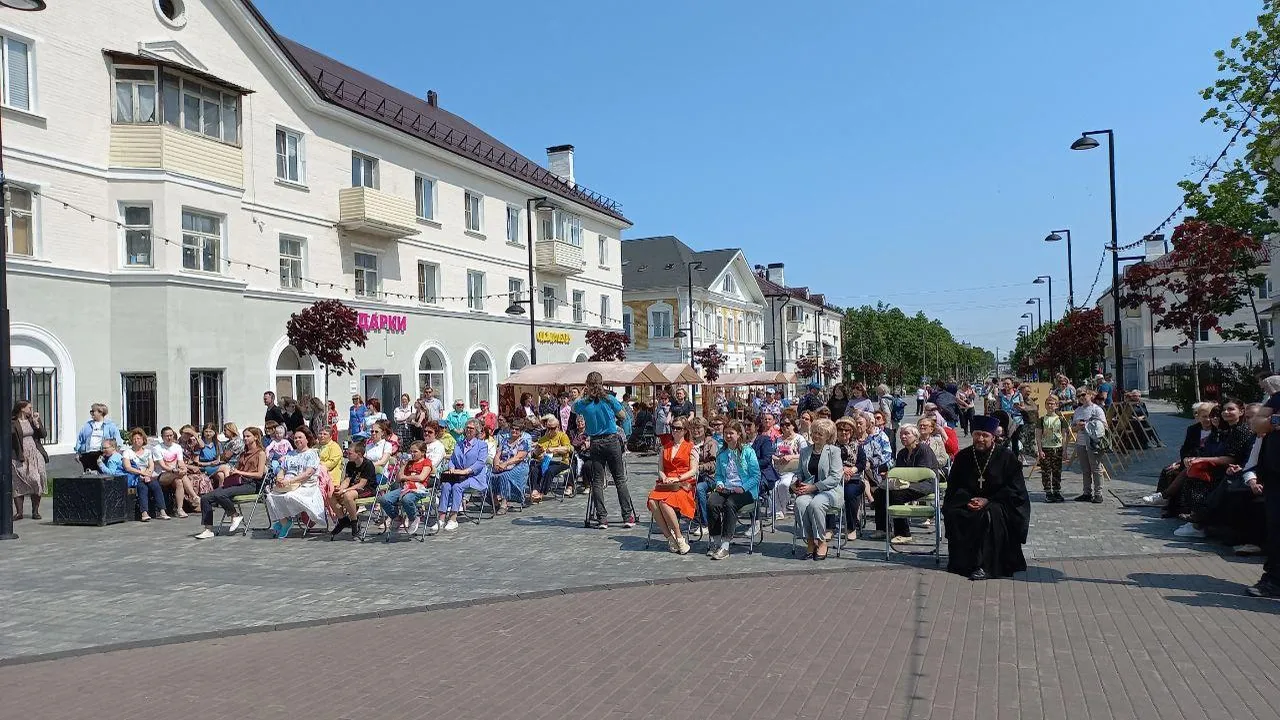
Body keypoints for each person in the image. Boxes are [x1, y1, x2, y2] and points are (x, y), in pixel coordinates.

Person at [942, 415, 1030, 580]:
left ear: (993, 437)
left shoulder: (1006, 457)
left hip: (1000, 502)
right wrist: (968, 499)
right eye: (977, 434)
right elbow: (954, 486)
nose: (980, 439)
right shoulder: (963, 457)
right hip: (968, 500)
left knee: (988, 516)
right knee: (954, 513)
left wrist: (987, 500)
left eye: (985, 435)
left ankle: (986, 566)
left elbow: (1015, 489)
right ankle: (962, 563)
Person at [575, 372, 636, 529]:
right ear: (601, 383)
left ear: (587, 384)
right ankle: (627, 516)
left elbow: (574, 406)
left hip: (595, 442)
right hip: (611, 440)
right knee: (619, 479)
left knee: (597, 480)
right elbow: (623, 416)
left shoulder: (584, 403)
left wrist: (583, 392)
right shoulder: (609, 399)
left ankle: (602, 518)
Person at [867, 423, 940, 543]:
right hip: (904, 484)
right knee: (880, 492)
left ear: (915, 436)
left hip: (925, 484)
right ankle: (883, 529)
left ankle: (903, 533)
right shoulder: (902, 453)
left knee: (896, 495)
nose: (903, 437)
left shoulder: (923, 450)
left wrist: (903, 482)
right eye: (901, 434)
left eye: (907, 434)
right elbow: (899, 472)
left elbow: (922, 473)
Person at [194, 427, 267, 539]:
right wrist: (233, 472)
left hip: (251, 484)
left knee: (220, 494)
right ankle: (208, 529)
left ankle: (235, 515)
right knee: (205, 498)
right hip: (238, 482)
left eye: (248, 436)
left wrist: (239, 471)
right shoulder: (243, 453)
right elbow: (237, 469)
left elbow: (259, 474)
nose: (245, 438)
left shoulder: (260, 453)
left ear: (256, 437)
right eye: (244, 436)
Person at [706, 421, 760, 560]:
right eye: (726, 433)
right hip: (726, 488)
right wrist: (719, 483)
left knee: (730, 504)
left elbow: (756, 476)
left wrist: (743, 488)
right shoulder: (722, 452)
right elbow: (718, 474)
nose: (728, 436)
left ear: (739, 434)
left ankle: (725, 545)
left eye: (731, 433)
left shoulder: (748, 451)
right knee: (712, 502)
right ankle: (716, 541)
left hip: (745, 491)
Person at [792, 418, 843, 560]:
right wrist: (795, 484)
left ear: (828, 436)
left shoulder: (834, 451)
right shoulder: (805, 451)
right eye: (814, 433)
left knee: (816, 504)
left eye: (820, 434)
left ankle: (821, 541)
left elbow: (835, 478)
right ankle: (809, 540)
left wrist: (814, 487)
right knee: (800, 503)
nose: (816, 436)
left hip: (830, 491)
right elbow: (799, 473)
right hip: (808, 489)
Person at [648, 416, 698, 554]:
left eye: (678, 428)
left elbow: (693, 470)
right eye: (673, 428)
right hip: (666, 484)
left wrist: (677, 478)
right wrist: (664, 477)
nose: (675, 431)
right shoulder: (665, 447)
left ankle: (680, 538)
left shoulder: (690, 447)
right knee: (652, 502)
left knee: (665, 503)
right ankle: (670, 538)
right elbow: (660, 469)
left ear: (685, 430)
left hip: (683, 483)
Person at [265, 429, 324, 539]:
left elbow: (308, 473)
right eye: (295, 438)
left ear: (307, 439)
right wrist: (279, 479)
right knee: (270, 497)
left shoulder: (311, 454)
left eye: (300, 437)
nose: (297, 440)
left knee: (289, 496)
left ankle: (286, 519)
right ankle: (284, 521)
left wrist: (290, 481)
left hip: (306, 485)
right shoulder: (290, 454)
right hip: (288, 484)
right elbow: (282, 470)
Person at [434, 420, 490, 532]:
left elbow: (480, 463)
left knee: (457, 487)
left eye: (472, 428)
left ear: (476, 431)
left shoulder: (482, 445)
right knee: (445, 485)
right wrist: (451, 467)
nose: (469, 430)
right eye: (467, 427)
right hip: (457, 476)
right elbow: (453, 460)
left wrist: (466, 471)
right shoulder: (459, 444)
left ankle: (453, 519)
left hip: (474, 477)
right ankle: (441, 518)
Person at [381, 441, 433, 536]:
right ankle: (396, 517)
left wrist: (406, 477)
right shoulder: (409, 463)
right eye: (411, 452)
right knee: (384, 499)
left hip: (418, 488)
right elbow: (398, 479)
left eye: (415, 452)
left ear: (423, 452)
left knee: (407, 499)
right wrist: (403, 466)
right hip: (404, 488)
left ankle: (413, 518)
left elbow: (421, 477)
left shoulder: (427, 462)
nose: (412, 454)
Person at [330, 440, 377, 539]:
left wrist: (345, 490)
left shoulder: (367, 464)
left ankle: (354, 522)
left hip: (367, 489)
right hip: (353, 488)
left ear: (359, 454)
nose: (347, 455)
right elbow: (347, 480)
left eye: (350, 453)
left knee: (348, 495)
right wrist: (341, 488)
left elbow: (361, 484)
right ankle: (343, 520)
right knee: (331, 495)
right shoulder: (350, 464)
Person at [833, 417, 869, 541]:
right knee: (828, 492)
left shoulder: (857, 446)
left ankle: (851, 527)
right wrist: (842, 470)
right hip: (835, 478)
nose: (843, 433)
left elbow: (862, 463)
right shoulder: (831, 447)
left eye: (847, 430)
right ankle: (829, 527)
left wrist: (852, 470)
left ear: (851, 432)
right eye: (840, 430)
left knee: (849, 494)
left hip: (854, 479)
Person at [10, 401, 48, 520]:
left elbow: (43, 435)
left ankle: (35, 511)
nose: (31, 410)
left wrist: (37, 423)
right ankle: (19, 512)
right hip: (19, 454)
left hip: (34, 453)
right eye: (29, 408)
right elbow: (10, 436)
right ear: (22, 409)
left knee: (36, 479)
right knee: (18, 481)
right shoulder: (13, 422)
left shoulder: (33, 420)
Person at [123, 427, 167, 521]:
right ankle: (144, 513)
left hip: (147, 475)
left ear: (143, 440)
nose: (136, 441)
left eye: (138, 439)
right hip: (135, 476)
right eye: (134, 439)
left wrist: (148, 474)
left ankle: (162, 511)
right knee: (142, 488)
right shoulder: (128, 452)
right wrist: (141, 473)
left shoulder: (148, 452)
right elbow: (128, 467)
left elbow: (151, 465)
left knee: (155, 485)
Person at [770, 415, 809, 522]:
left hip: (793, 470)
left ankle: (782, 508)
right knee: (773, 486)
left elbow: (805, 454)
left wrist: (791, 456)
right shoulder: (777, 439)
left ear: (793, 426)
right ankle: (778, 510)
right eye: (782, 425)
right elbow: (771, 453)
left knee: (784, 484)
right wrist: (777, 459)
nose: (784, 427)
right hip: (778, 468)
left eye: (787, 424)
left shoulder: (799, 438)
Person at [154, 426, 199, 518]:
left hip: (176, 474)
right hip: (162, 475)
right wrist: (176, 470)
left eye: (171, 435)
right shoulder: (157, 448)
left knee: (179, 481)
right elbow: (162, 466)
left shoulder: (177, 447)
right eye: (167, 436)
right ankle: (194, 496)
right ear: (162, 437)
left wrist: (183, 468)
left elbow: (180, 462)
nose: (169, 438)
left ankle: (180, 509)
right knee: (180, 475)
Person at [1072, 389, 1108, 503]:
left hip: (1094, 443)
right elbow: (1073, 428)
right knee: (1085, 470)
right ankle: (1087, 492)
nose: (1081, 397)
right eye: (1078, 396)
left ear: (1090, 395)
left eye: (1083, 394)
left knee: (1096, 469)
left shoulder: (1097, 409)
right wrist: (1078, 426)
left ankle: (1098, 494)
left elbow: (1105, 426)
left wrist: (1088, 425)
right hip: (1081, 442)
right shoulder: (1077, 410)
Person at [491, 417, 532, 514]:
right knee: (489, 475)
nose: (514, 431)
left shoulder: (523, 442)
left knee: (505, 476)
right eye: (512, 428)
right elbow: (497, 454)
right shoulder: (505, 440)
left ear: (521, 431)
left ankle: (504, 503)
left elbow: (519, 458)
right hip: (503, 465)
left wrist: (505, 464)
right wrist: (496, 464)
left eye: (517, 429)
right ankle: (494, 501)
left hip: (519, 466)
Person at [530, 415, 572, 502]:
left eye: (553, 428)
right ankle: (535, 490)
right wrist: (537, 452)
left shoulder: (563, 436)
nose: (550, 431)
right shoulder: (544, 438)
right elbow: (536, 455)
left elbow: (568, 448)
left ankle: (542, 493)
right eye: (548, 428)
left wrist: (554, 449)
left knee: (549, 471)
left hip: (561, 462)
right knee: (535, 470)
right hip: (547, 461)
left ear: (558, 427)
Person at [74, 403, 124, 473]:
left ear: (100, 412)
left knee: (101, 473)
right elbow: (80, 439)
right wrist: (77, 452)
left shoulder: (110, 425)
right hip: (87, 453)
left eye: (93, 411)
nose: (91, 413)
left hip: (102, 453)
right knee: (88, 474)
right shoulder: (87, 425)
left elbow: (117, 440)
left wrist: (116, 453)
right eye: (91, 412)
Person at [1036, 394, 1066, 502]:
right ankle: (1048, 491)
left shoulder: (1061, 419)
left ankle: (1057, 490)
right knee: (1046, 471)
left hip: (1057, 448)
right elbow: (1038, 435)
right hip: (1046, 448)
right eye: (1048, 403)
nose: (1050, 406)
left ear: (1056, 405)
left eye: (1052, 404)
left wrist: (1064, 449)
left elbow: (1064, 435)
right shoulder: (1042, 419)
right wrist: (1039, 450)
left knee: (1057, 470)